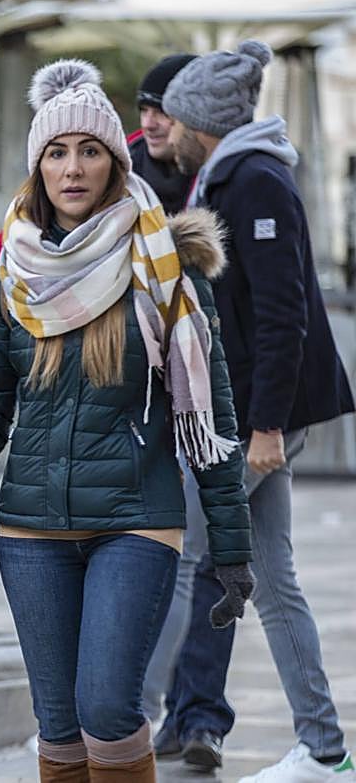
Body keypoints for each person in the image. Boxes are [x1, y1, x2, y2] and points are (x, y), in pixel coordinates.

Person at [0, 59, 254, 783]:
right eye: (57, 152)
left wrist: (231, 547)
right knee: (58, 724)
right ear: (38, 165)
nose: (73, 167)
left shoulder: (165, 272)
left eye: (90, 150)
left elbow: (212, 417)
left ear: (115, 161)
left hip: (135, 518)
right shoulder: (11, 277)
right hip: (30, 529)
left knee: (106, 706)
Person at [156, 39, 356, 781]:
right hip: (246, 415)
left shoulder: (256, 182)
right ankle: (325, 747)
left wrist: (268, 426)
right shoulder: (227, 176)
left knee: (170, 553)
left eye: (172, 118)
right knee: (273, 579)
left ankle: (119, 726)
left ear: (199, 121)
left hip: (258, 418)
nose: (163, 131)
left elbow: (283, 315)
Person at [0, 53, 196, 299]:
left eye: (162, 111)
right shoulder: (112, 164)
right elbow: (14, 239)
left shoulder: (219, 177)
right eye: (144, 110)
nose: (149, 123)